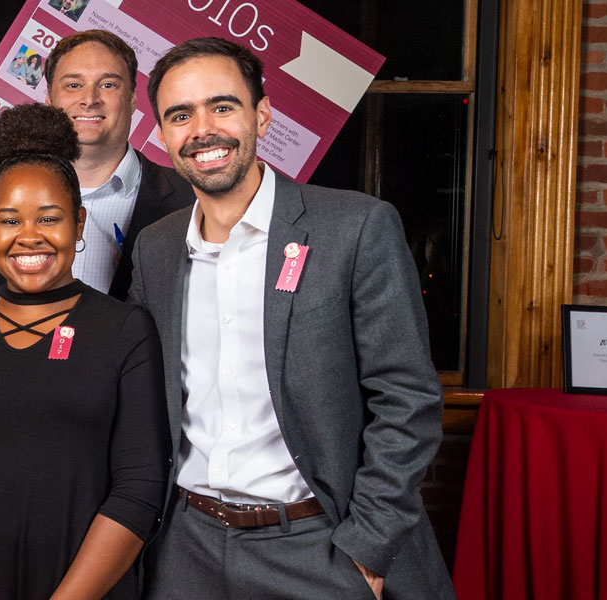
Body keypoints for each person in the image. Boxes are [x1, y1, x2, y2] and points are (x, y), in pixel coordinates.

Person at [129, 37, 454, 599]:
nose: (202, 129)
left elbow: (407, 396)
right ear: (161, 135)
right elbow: (125, 376)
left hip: (318, 546)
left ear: (263, 113)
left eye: (222, 106)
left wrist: (367, 551)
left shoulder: (354, 228)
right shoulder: (154, 249)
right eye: (180, 115)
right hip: (185, 549)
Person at [0, 103, 169, 600]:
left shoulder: (125, 329)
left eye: (50, 218)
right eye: (10, 219)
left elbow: (140, 487)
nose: (29, 236)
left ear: (79, 224)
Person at [0, 30, 194, 300]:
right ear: (50, 100)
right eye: (73, 85)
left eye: (108, 85)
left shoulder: (190, 200)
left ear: (133, 99)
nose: (90, 99)